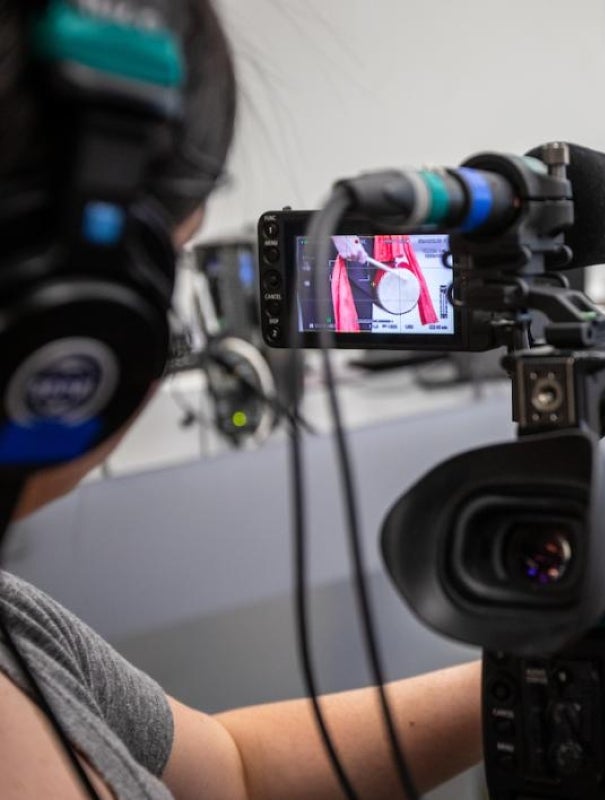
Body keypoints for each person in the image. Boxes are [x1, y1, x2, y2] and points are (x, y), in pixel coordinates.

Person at [0, 3, 482, 798]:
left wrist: (533, 675)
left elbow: (234, 772)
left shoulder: (20, 626)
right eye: (165, 266)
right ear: (68, 326)